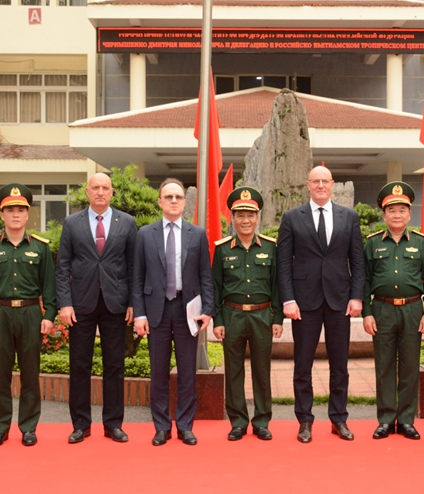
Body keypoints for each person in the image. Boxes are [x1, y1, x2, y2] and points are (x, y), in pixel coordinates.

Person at [276, 165, 365, 443]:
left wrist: (357, 296)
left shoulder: (348, 217)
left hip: (340, 300)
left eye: (325, 181)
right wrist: (288, 299)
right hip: (304, 302)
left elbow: (357, 260)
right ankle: (304, 420)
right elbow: (283, 263)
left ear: (333, 184)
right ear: (308, 184)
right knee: (302, 365)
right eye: (315, 181)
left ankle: (339, 419)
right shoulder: (292, 217)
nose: (321, 185)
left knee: (340, 365)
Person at [56, 172, 138, 444]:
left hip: (116, 304)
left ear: (112, 192)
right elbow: (62, 266)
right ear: (87, 192)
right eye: (95, 188)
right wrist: (65, 303)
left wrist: (133, 302)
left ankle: (113, 424)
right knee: (79, 365)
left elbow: (133, 267)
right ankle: (81, 425)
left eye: (105, 188)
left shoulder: (127, 222)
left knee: (114, 366)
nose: (100, 192)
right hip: (81, 304)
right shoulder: (72, 223)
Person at [132, 178, 214, 446]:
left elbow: (205, 275)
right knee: (158, 372)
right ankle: (161, 426)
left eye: (178, 196)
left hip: (186, 310)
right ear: (160, 202)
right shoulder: (145, 234)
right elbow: (137, 277)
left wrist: (208, 310)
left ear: (184, 202)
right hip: (156, 310)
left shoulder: (197, 234)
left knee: (187, 371)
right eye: (168, 197)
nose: (174, 201)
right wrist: (139, 315)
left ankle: (186, 426)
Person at [0, 184, 57, 448]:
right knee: (0, 375)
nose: (16, 215)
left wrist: (49, 315)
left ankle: (28, 428)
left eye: (21, 210)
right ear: (2, 215)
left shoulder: (40, 248)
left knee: (30, 374)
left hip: (31, 314)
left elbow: (49, 286)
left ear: (28, 214)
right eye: (10, 210)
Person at [363, 182, 424, 440]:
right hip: (382, 310)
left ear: (409, 214)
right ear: (384, 215)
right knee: (383, 367)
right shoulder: (373, 244)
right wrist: (367, 312)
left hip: (413, 310)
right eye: (392, 210)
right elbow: (364, 280)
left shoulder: (421, 243)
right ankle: (385, 419)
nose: (397, 215)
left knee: (409, 367)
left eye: (402, 210)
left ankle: (406, 420)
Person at [212, 187, 283, 441]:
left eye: (250, 215)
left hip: (262, 316)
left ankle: (262, 421)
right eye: (240, 215)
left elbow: (277, 286)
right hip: (232, 315)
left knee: (262, 370)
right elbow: (215, 287)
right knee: (233, 371)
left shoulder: (270, 247)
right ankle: (238, 422)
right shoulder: (222, 249)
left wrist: (277, 318)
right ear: (232, 218)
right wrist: (218, 320)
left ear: (257, 218)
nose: (245, 220)